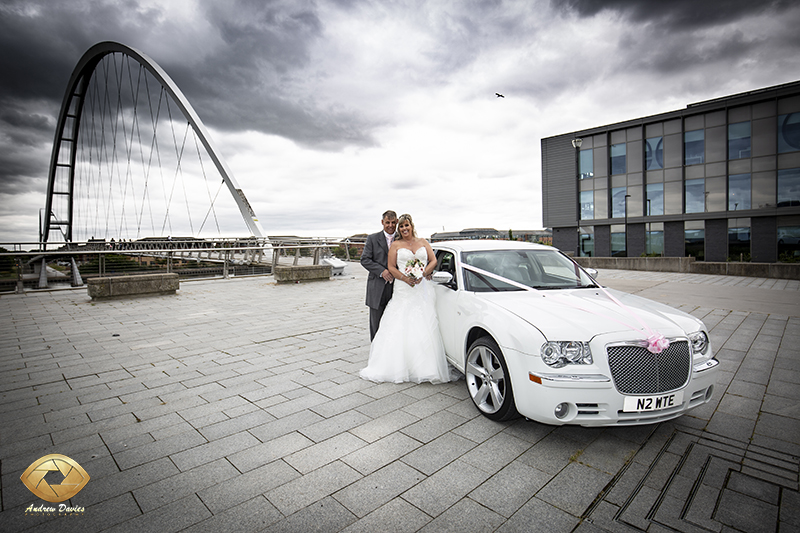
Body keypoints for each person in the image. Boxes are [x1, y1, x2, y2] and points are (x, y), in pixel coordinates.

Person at [360, 213, 454, 384]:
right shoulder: (394, 244)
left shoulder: (424, 242)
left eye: (406, 225)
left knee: (424, 322)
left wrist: (423, 273)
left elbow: (432, 260)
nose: (403, 229)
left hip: (422, 287)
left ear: (411, 226)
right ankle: (391, 361)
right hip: (403, 287)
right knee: (397, 322)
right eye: (401, 226)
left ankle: (425, 365)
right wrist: (405, 278)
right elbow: (390, 266)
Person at [361, 210, 398, 341]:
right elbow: (365, 260)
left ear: (397, 222)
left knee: (395, 323)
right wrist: (382, 271)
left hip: (397, 288)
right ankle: (375, 353)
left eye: (393, 222)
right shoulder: (372, 239)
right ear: (382, 222)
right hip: (377, 287)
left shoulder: (402, 239)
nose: (390, 225)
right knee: (376, 324)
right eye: (387, 222)